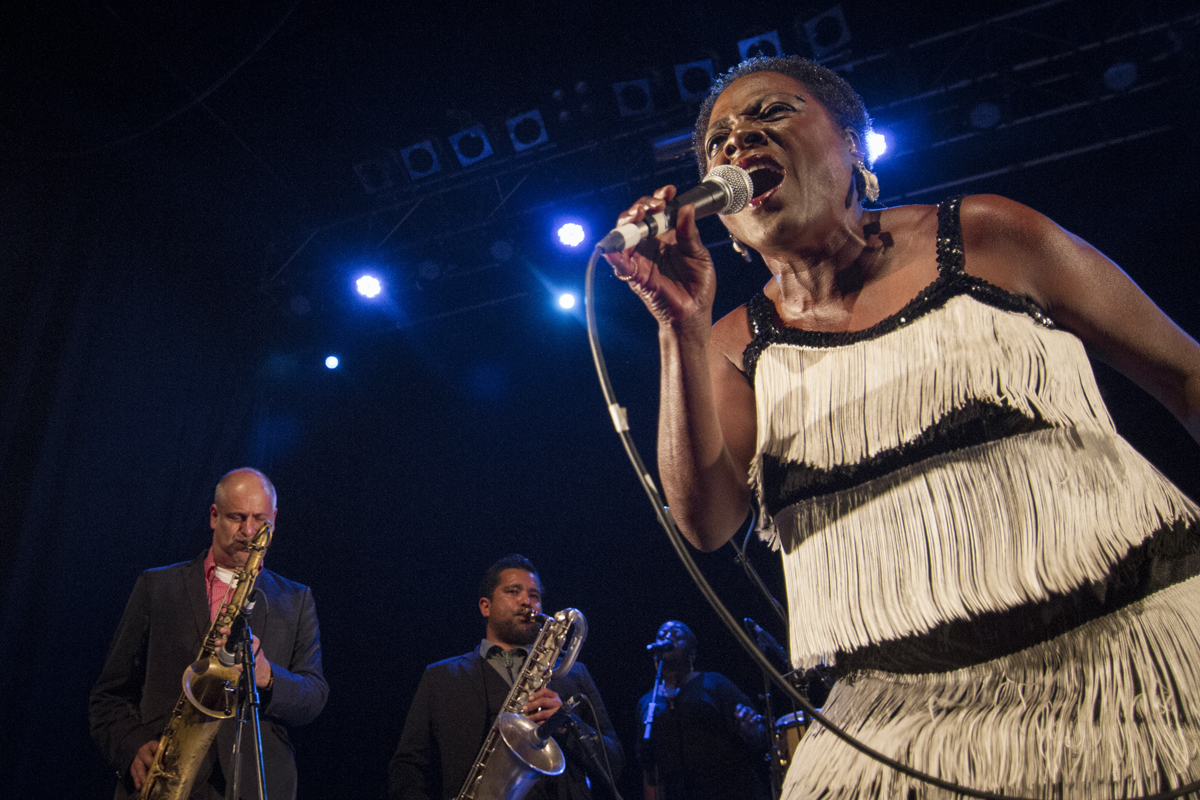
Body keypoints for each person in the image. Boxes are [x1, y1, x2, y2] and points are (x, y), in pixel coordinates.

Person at [606, 54, 1200, 799]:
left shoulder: (986, 236)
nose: (736, 142)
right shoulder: (730, 346)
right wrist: (679, 330)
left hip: (1131, 667)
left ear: (855, 144)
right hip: (902, 728)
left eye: (772, 112)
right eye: (717, 141)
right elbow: (706, 522)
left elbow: (1185, 373)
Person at [89, 468, 329, 800]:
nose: (248, 531)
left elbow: (314, 695)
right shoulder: (157, 587)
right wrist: (132, 747)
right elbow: (108, 696)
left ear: (274, 518)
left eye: (260, 519)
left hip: (254, 786)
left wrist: (268, 676)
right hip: (164, 778)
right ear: (214, 516)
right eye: (236, 517)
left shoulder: (296, 599)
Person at [389, 554, 624, 800]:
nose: (527, 602)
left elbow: (614, 762)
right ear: (485, 606)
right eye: (513, 592)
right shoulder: (441, 677)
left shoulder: (574, 673)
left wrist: (568, 725)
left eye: (535, 596)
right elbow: (407, 768)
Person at [637, 621, 769, 800]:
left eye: (676, 634)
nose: (667, 637)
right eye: (661, 636)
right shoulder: (647, 703)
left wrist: (750, 731)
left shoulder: (714, 683)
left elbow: (759, 735)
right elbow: (649, 771)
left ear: (692, 653)